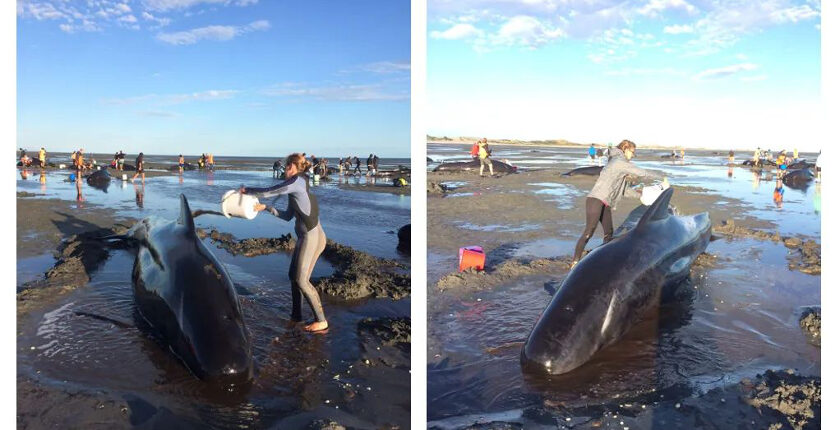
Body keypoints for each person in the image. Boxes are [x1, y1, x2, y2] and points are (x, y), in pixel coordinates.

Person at [239, 153, 329, 332]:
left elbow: (268, 191)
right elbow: (288, 216)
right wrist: (266, 208)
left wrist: (246, 190)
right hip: (310, 237)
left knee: (301, 281)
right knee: (294, 277)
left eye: (288, 167)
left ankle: (321, 320)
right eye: (286, 167)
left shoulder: (296, 182)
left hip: (312, 237)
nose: (286, 170)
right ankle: (297, 317)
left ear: (295, 167)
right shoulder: (297, 185)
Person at [572, 139, 668, 266]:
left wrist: (641, 196)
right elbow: (641, 172)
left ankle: (605, 259)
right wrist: (662, 178)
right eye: (632, 152)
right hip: (595, 200)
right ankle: (575, 261)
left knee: (609, 234)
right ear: (626, 149)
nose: (633, 156)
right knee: (589, 231)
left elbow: (624, 191)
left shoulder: (620, 166)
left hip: (605, 203)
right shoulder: (619, 162)